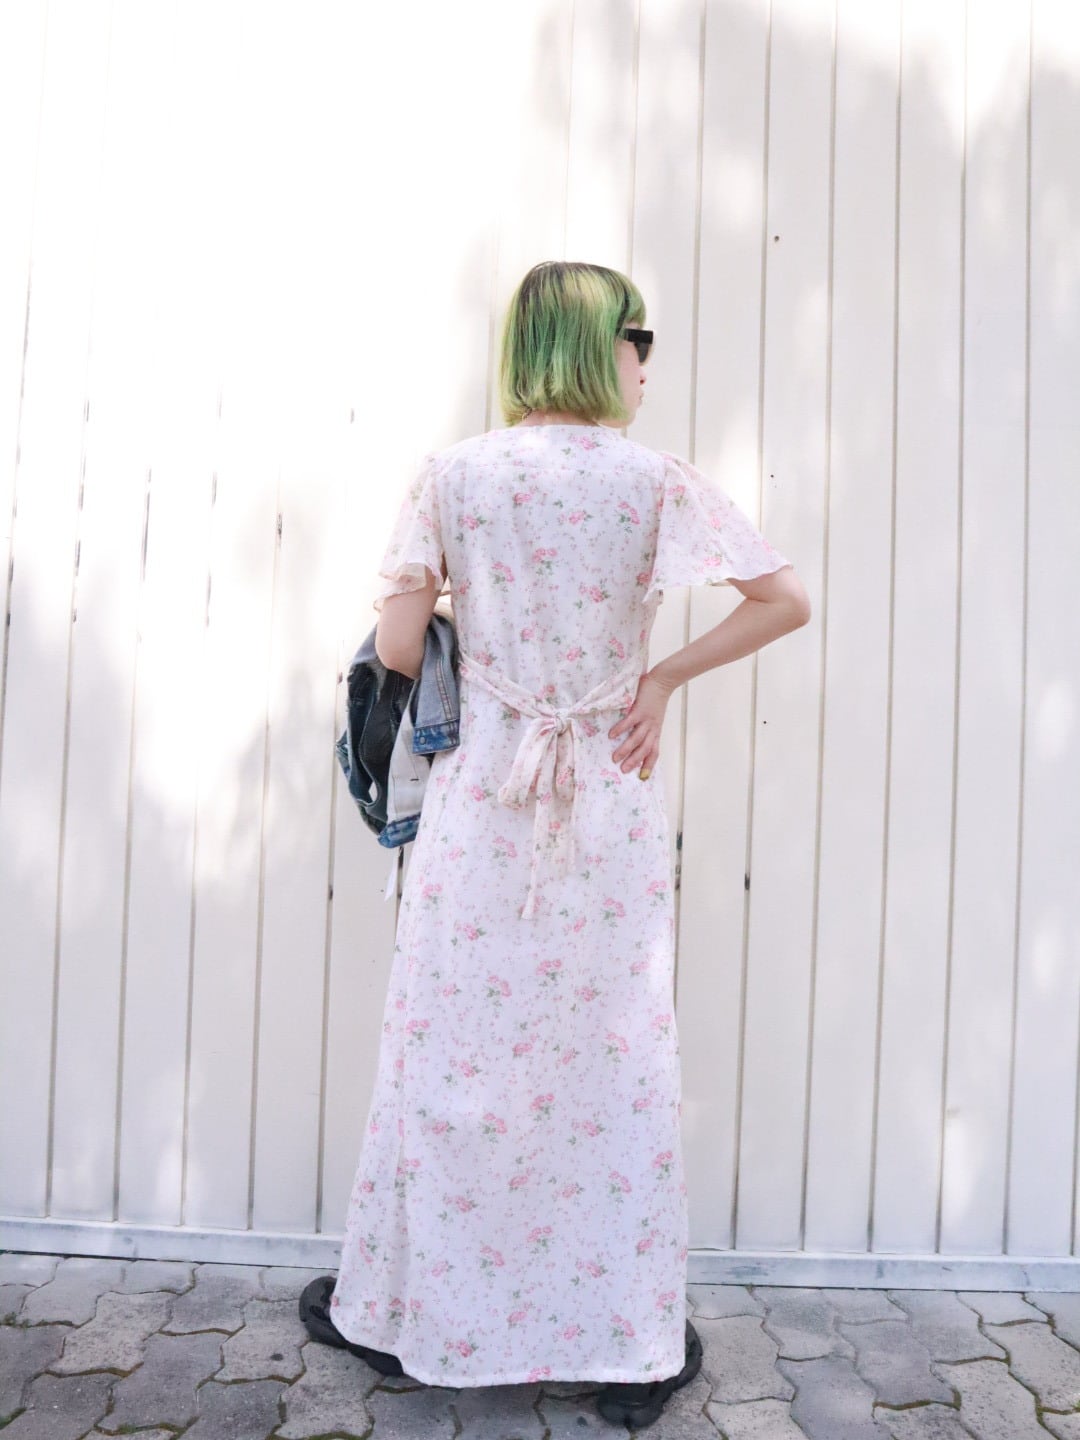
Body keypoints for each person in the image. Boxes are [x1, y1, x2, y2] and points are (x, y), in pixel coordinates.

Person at [300, 260, 810, 1429]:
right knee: (610, 1066)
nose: (646, 363)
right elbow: (786, 598)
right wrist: (659, 679)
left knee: (452, 1058)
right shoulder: (654, 482)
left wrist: (475, 620)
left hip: (486, 800)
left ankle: (421, 1310)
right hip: (607, 797)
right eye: (638, 339)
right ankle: (623, 1341)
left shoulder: (455, 474)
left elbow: (396, 647)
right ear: (592, 347)